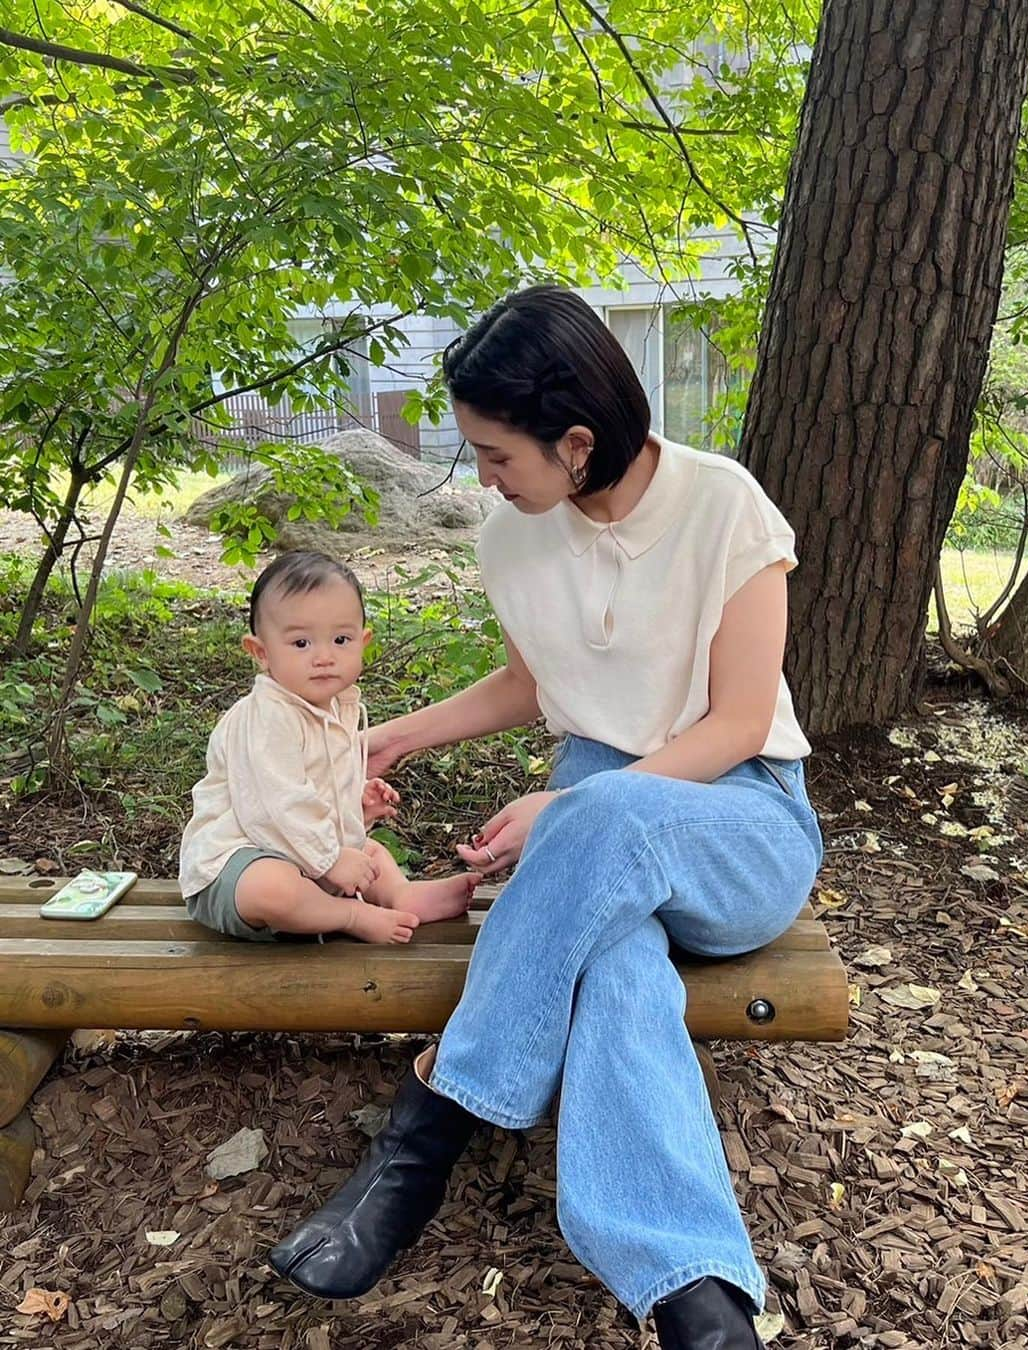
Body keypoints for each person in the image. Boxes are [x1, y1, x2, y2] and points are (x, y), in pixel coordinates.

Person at [269, 288, 824, 1350]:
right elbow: (533, 684)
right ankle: (694, 1294)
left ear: (576, 444)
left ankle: (427, 1130)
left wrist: (579, 801)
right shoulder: (513, 538)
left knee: (602, 823)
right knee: (612, 965)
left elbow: (741, 719)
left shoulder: (725, 507)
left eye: (495, 454)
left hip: (739, 817)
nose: (480, 475)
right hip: (597, 836)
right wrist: (400, 738)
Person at [179, 550, 477, 944]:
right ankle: (350, 914)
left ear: (362, 642)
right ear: (261, 653)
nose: (323, 657)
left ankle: (400, 895)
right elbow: (275, 806)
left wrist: (356, 806)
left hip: (306, 855)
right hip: (238, 862)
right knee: (273, 887)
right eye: (301, 643)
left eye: (340, 639)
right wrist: (331, 859)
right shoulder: (267, 717)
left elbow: (316, 793)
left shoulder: (335, 708)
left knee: (368, 852)